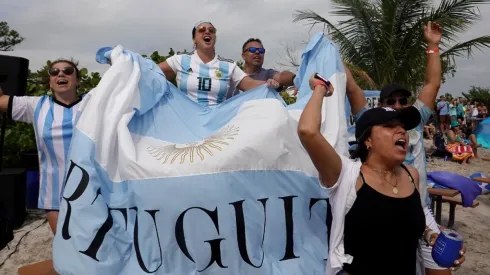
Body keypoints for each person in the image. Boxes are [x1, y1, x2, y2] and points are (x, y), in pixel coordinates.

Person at [345, 21, 465, 274]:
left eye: (403, 100)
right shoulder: (372, 121)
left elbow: (432, 84)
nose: (398, 105)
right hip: (381, 206)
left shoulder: (415, 119)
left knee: (442, 267)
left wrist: (433, 45)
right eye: (391, 101)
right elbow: (353, 89)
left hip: (418, 208)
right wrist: (335, 59)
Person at [298, 73, 447, 275]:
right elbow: (308, 131)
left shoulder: (411, 175)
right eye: (389, 126)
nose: (401, 131)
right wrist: (320, 87)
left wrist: (430, 236)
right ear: (367, 140)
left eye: (402, 126)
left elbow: (405, 224)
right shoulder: (346, 175)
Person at [0, 59, 84, 234]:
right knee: (67, 252)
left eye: (68, 71)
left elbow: (138, 80)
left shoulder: (94, 102)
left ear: (77, 79)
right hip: (55, 196)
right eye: (54, 72)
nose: (61, 74)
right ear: (50, 82)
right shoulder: (36, 105)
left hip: (95, 193)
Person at [158, 22, 275, 106]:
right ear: (194, 39)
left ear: (214, 38)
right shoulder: (180, 60)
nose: (207, 32)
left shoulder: (228, 65)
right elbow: (152, 73)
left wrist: (269, 83)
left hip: (217, 121)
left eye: (211, 31)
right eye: (201, 30)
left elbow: (250, 84)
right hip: (186, 120)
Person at [226, 38, 296, 99]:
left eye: (261, 51)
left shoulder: (268, 74)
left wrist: (296, 79)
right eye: (252, 50)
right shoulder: (233, 76)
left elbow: (281, 76)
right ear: (243, 55)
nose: (257, 52)